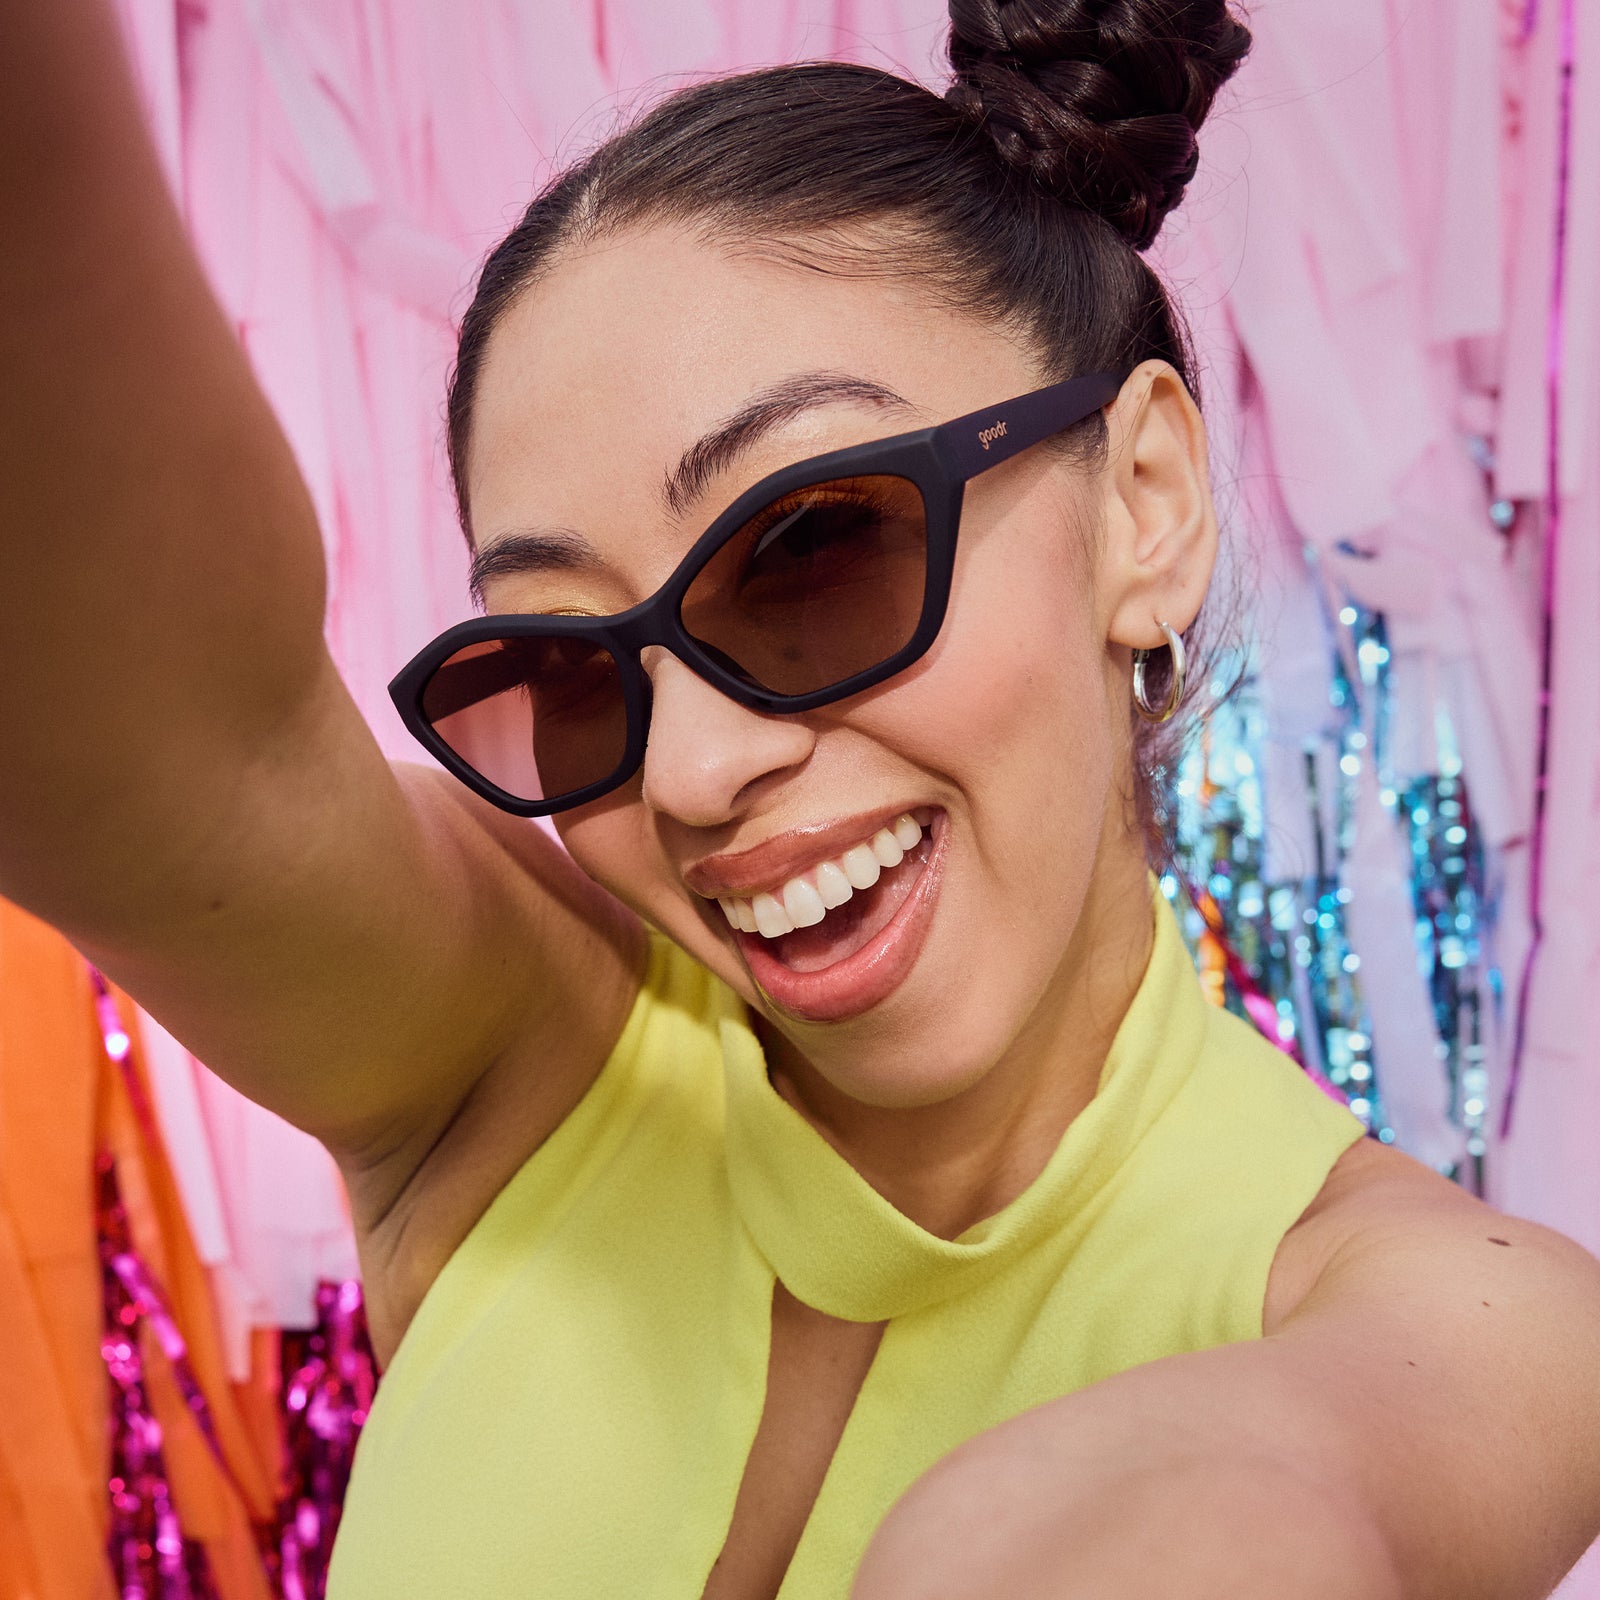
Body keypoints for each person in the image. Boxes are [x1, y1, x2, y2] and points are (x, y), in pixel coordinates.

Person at [3, 0, 1599, 1596]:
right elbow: (143, 724)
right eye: (569, 671)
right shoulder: (517, 1059)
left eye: (813, 552)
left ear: (1145, 502)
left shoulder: (1464, 1318)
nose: (693, 772)